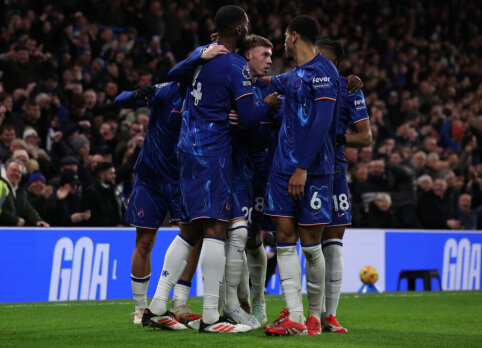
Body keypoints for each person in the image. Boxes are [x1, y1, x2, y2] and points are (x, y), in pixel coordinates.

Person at [159, 5, 280, 334]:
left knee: (199, 230)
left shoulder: (205, 56)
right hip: (217, 157)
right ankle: (218, 310)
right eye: (263, 54)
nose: (268, 60)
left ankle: (162, 305)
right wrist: (260, 109)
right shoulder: (232, 65)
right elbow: (251, 117)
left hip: (206, 156)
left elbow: (173, 75)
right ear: (241, 33)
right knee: (222, 231)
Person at [114, 42, 226, 328]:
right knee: (144, 241)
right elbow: (119, 100)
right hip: (150, 178)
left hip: (183, 180)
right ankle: (141, 309)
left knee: (194, 237)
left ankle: (179, 303)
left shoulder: (210, 98)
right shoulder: (168, 90)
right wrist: (137, 94)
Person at [263, 15, 339, 336]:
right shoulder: (293, 76)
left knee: (311, 244)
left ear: (295, 36)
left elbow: (322, 123)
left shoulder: (324, 72)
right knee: (283, 236)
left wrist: (303, 167)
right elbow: (265, 80)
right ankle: (294, 315)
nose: (282, 41)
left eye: (284, 36)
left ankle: (314, 316)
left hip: (314, 171)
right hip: (281, 169)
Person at [316, 39, 371, 333]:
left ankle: (330, 314)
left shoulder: (349, 89)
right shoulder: (298, 81)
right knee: (293, 241)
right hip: (298, 168)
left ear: (335, 61)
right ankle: (302, 313)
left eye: (321, 56)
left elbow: (365, 137)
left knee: (333, 244)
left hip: (334, 170)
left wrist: (338, 139)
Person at [0, 159, 50, 227]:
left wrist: (38, 221)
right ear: (5, 170)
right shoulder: (1, 185)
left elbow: (27, 208)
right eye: (13, 170)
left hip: (11, 232)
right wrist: (14, 220)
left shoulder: (20, 190)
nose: (16, 174)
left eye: (19, 172)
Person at [83, 162, 123, 226]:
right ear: (102, 175)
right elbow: (94, 219)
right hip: (101, 232)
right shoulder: (91, 192)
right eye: (111, 174)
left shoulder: (113, 190)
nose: (114, 176)